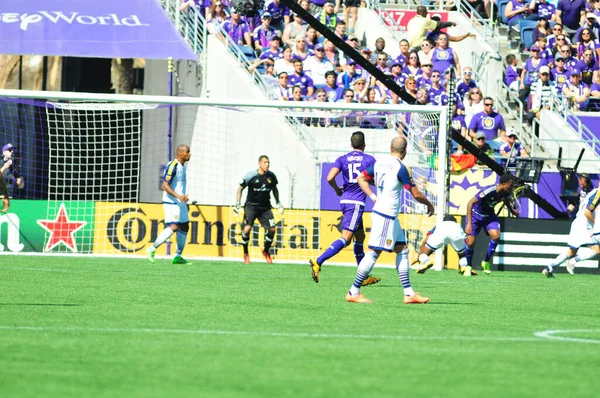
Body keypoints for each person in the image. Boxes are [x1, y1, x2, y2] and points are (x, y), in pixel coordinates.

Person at [345, 136, 434, 304]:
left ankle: (409, 294)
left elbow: (361, 178)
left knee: (403, 250)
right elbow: (415, 193)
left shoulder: (379, 163)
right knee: (373, 253)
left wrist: (372, 196)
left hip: (388, 215)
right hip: (386, 215)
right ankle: (353, 291)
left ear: (390, 148)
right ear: (406, 151)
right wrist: (429, 204)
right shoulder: (401, 168)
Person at [309, 132, 379, 284]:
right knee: (346, 239)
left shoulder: (343, 158)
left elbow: (329, 177)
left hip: (345, 200)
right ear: (364, 145)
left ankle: (363, 276)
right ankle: (318, 261)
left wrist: (337, 190)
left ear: (351, 144)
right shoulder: (369, 159)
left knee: (360, 237)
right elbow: (373, 179)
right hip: (356, 203)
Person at [542, 174, 596, 277]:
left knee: (571, 252)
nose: (579, 181)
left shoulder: (591, 192)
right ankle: (573, 262)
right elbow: (583, 209)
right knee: (597, 249)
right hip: (584, 224)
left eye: (581, 179)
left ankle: (549, 268)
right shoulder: (590, 193)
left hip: (577, 223)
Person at [146, 145, 193, 265]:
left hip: (180, 202)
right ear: (180, 154)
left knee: (185, 226)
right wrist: (179, 197)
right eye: (187, 152)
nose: (189, 154)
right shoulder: (173, 165)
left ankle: (177, 256)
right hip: (172, 202)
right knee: (175, 226)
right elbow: (165, 185)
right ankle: (152, 249)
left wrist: (184, 200)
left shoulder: (182, 167)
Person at [465, 174, 518, 275]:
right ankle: (469, 266)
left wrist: (512, 210)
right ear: (503, 184)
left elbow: (505, 200)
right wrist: (469, 224)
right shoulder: (488, 191)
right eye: (510, 185)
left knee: (496, 236)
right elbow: (470, 203)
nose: (511, 188)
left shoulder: (506, 193)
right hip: (475, 215)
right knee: (471, 242)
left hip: (489, 216)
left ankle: (485, 262)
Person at [235, 155, 284, 264]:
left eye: (268, 162)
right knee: (247, 229)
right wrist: (237, 203)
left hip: (265, 208)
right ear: (259, 164)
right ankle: (246, 253)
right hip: (251, 207)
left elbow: (275, 189)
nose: (267, 165)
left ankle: (266, 251)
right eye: (265, 162)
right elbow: (240, 188)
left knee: (272, 229)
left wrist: (278, 202)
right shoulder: (251, 175)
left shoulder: (271, 176)